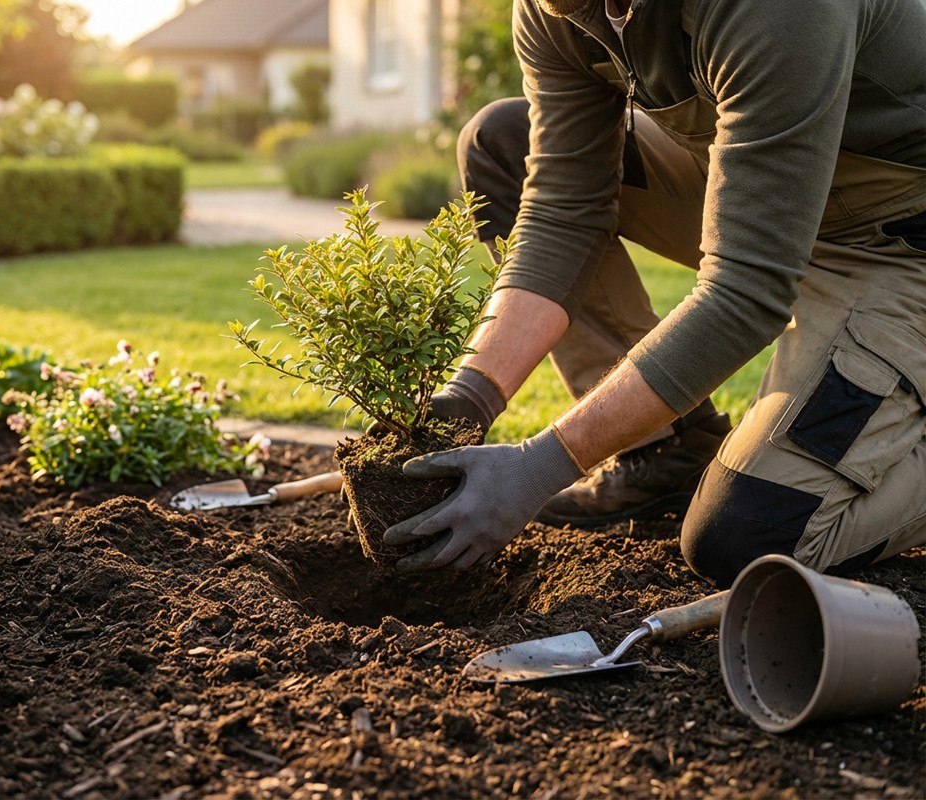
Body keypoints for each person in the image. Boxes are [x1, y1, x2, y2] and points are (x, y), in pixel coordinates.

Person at [383, 0, 926, 588]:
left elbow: (745, 293)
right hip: (768, 192)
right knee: (503, 144)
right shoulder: (556, 9)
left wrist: (538, 467)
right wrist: (466, 403)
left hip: (896, 241)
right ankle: (665, 450)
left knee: (752, 536)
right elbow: (563, 214)